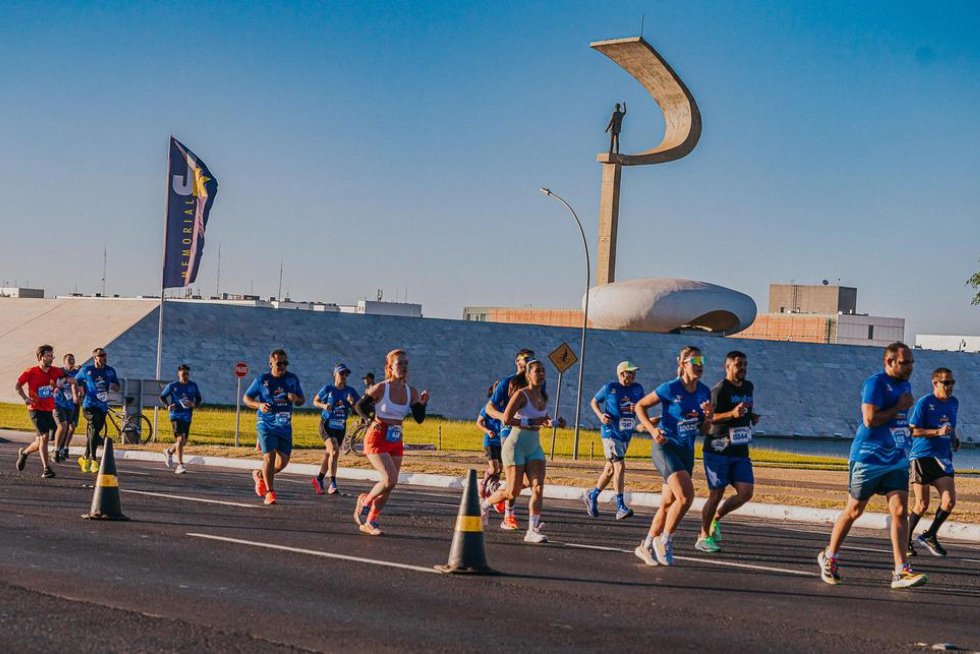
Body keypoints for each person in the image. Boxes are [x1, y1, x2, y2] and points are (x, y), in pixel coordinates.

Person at [817, 342, 927, 590]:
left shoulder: (904, 385)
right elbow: (869, 420)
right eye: (904, 362)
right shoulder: (875, 384)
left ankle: (900, 571)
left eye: (911, 362)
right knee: (854, 511)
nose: (909, 367)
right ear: (889, 362)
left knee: (899, 510)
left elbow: (897, 421)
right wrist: (898, 407)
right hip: (868, 458)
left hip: (896, 458)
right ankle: (830, 557)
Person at [633, 345, 712, 567]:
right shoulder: (670, 388)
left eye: (702, 362)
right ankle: (665, 540)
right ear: (683, 364)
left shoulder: (704, 392)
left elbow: (704, 431)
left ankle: (646, 545)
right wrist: (651, 429)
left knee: (668, 503)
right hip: (665, 447)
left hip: (686, 451)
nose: (700, 366)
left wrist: (709, 417)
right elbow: (640, 406)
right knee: (686, 497)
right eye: (695, 362)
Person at [482, 359, 564, 544]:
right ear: (528, 375)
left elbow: (542, 419)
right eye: (537, 371)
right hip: (515, 445)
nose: (541, 374)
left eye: (543, 371)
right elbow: (506, 418)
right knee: (513, 492)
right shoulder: (521, 394)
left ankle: (531, 530)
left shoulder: (543, 396)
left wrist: (555, 422)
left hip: (534, 446)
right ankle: (484, 505)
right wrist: (528, 423)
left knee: (538, 486)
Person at [352, 349, 429, 535]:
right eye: (399, 364)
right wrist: (371, 421)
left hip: (395, 437)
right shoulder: (381, 388)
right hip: (377, 436)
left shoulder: (411, 392)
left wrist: (423, 403)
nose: (403, 367)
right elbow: (359, 406)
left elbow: (419, 419)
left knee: (391, 484)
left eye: (405, 364)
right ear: (390, 367)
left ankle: (371, 521)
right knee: (389, 479)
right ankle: (365, 500)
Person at [696, 351, 760, 553]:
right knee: (716, 494)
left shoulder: (749, 386)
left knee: (746, 492)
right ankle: (703, 536)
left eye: (745, 364)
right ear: (728, 367)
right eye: (738, 364)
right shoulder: (719, 390)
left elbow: (745, 410)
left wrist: (751, 417)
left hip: (740, 450)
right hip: (718, 449)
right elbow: (708, 419)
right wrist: (731, 414)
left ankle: (716, 517)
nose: (743, 368)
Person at [907, 367, 959, 558]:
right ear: (935, 383)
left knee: (949, 501)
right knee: (922, 504)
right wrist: (936, 433)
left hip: (943, 458)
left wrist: (954, 438)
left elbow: (951, 426)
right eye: (946, 382)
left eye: (952, 382)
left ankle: (930, 535)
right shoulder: (925, 403)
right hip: (922, 457)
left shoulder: (954, 403)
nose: (950, 386)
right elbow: (912, 430)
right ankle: (906, 540)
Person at [243, 349, 305, 505]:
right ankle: (270, 493)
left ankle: (260, 475)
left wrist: (296, 398)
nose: (283, 366)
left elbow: (302, 400)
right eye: (279, 363)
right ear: (271, 363)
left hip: (284, 426)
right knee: (269, 456)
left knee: (282, 462)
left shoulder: (292, 379)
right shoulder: (262, 380)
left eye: (285, 363)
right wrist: (259, 405)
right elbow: (246, 397)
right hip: (266, 424)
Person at [586, 361, 645, 520]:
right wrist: (600, 416)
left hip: (626, 433)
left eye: (634, 373)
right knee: (619, 465)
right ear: (621, 374)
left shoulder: (638, 388)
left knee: (610, 470)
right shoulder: (609, 387)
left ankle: (593, 495)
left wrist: (638, 408)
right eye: (630, 372)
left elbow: (643, 405)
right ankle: (620, 506)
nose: (633, 375)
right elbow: (594, 401)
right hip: (610, 432)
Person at [484, 348, 536, 531]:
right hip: (508, 432)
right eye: (526, 359)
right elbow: (489, 408)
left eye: (532, 359)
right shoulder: (507, 382)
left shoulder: (534, 385)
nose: (530, 362)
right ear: (517, 362)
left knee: (529, 480)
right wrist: (505, 417)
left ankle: (499, 496)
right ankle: (508, 516)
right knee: (513, 475)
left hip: (528, 434)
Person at [15, 345, 76, 478]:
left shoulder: (55, 371)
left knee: (40, 442)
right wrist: (25, 398)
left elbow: (72, 380)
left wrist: (61, 382)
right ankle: (46, 469)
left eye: (52, 356)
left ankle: (24, 453)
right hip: (35, 409)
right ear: (40, 357)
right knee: (44, 437)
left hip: (49, 409)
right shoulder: (31, 371)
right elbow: (18, 385)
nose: (51, 358)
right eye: (48, 356)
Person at [312, 363, 360, 495]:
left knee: (329, 454)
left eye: (346, 374)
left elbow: (359, 408)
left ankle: (319, 479)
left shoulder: (350, 391)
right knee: (334, 451)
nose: (344, 376)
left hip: (340, 426)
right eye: (341, 373)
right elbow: (315, 401)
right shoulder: (328, 388)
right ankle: (333, 483)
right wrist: (323, 405)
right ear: (335, 374)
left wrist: (352, 403)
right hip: (327, 424)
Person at [74, 347, 120, 473]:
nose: (104, 357)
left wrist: (115, 386)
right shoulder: (87, 370)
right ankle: (94, 460)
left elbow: (117, 386)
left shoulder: (110, 371)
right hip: (89, 405)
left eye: (105, 355)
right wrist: (77, 393)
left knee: (94, 432)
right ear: (95, 358)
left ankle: (84, 457)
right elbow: (75, 381)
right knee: (94, 426)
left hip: (102, 406)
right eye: (101, 355)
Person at [159, 364, 203, 475]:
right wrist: (167, 406)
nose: (185, 376)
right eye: (183, 374)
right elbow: (162, 397)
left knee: (183, 442)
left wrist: (194, 404)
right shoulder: (173, 386)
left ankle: (168, 452)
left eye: (187, 374)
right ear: (179, 374)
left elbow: (199, 398)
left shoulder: (193, 386)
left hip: (187, 416)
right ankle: (180, 465)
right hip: (175, 415)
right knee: (180, 439)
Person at [477, 384, 504, 509]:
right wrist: (488, 431)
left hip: (502, 442)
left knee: (501, 468)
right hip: (490, 441)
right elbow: (479, 422)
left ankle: (493, 490)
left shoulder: (506, 407)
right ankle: (484, 482)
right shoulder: (488, 407)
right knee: (494, 468)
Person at [53, 353, 80, 463]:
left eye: (73, 359)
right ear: (64, 362)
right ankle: (57, 450)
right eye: (69, 359)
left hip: (73, 404)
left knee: (72, 427)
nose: (71, 361)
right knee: (63, 425)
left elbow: (80, 385)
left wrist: (78, 395)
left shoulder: (78, 373)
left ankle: (65, 448)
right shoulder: (59, 372)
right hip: (59, 403)